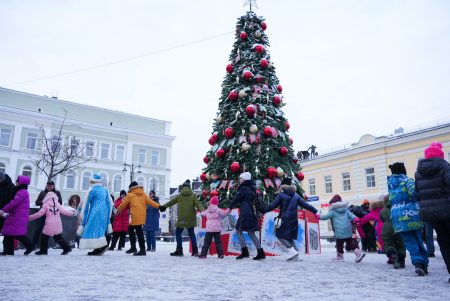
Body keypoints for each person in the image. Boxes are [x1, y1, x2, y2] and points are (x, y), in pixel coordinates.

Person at [414, 142, 450, 282]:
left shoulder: (419, 172)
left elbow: (417, 193)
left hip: (431, 214)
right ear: (440, 155)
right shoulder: (444, 166)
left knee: (444, 242)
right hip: (447, 209)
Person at [262, 177, 318, 261]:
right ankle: (297, 256)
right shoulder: (296, 196)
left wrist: (263, 211)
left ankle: (293, 251)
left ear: (283, 186)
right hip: (293, 220)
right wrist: (315, 211)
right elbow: (306, 205)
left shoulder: (281, 195)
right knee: (289, 237)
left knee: (279, 236)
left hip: (284, 219)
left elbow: (272, 206)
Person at [388, 162, 428, 276]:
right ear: (403, 170)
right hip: (411, 213)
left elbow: (392, 199)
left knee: (409, 241)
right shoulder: (408, 181)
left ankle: (418, 263)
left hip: (397, 216)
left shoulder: (390, 183)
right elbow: (413, 193)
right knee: (418, 239)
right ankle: (422, 263)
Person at [160, 179, 204, 257]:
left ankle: (179, 250)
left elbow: (171, 202)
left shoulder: (179, 196)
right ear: (189, 187)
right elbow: (198, 204)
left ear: (183, 187)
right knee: (191, 233)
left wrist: (164, 206)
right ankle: (195, 251)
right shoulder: (193, 196)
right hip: (190, 217)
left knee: (178, 233)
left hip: (181, 217)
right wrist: (203, 212)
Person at [228, 172, 265, 260]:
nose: (239, 180)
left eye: (241, 179)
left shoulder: (244, 188)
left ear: (244, 180)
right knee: (251, 232)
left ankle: (245, 252)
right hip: (252, 213)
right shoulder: (252, 188)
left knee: (238, 230)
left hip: (245, 213)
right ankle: (260, 252)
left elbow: (236, 199)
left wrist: (230, 206)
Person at [318, 194, 365, 262]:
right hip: (347, 229)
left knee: (339, 244)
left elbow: (325, 217)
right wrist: (356, 219)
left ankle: (340, 256)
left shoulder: (333, 211)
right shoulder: (345, 210)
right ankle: (359, 253)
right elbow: (352, 216)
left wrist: (318, 217)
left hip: (339, 231)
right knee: (350, 243)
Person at [117, 181, 160, 256]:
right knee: (134, 230)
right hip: (141, 216)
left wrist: (118, 210)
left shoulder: (130, 195)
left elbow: (123, 204)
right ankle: (136, 248)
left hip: (134, 215)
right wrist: (159, 206)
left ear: (131, 188)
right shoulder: (144, 194)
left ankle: (141, 250)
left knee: (136, 232)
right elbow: (151, 202)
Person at [77, 174, 113, 256]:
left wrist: (83, 217)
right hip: (104, 211)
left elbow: (86, 203)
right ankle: (97, 248)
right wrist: (108, 216)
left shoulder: (92, 190)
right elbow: (109, 203)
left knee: (93, 228)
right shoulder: (105, 190)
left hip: (95, 211)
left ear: (92, 181)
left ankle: (102, 247)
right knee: (100, 228)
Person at [0, 175, 34, 255]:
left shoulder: (22, 192)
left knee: (17, 234)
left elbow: (14, 203)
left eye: (17, 181)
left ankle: (30, 246)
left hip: (17, 216)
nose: (16, 182)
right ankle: (8, 251)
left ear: (21, 182)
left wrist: (3, 210)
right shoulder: (19, 190)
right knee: (8, 233)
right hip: (15, 214)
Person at [32, 180, 63, 249]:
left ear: (53, 186)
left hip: (53, 214)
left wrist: (53, 203)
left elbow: (60, 202)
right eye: (48, 185)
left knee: (55, 232)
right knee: (38, 229)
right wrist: (44, 203)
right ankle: (33, 245)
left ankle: (64, 246)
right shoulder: (42, 193)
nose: (49, 187)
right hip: (43, 213)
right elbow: (37, 202)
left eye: (51, 185)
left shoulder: (57, 193)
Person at [380, 193, 406, 269]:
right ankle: (401, 260)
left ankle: (393, 256)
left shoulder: (383, 210)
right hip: (398, 226)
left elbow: (381, 218)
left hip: (386, 227)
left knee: (388, 244)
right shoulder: (398, 207)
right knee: (401, 244)